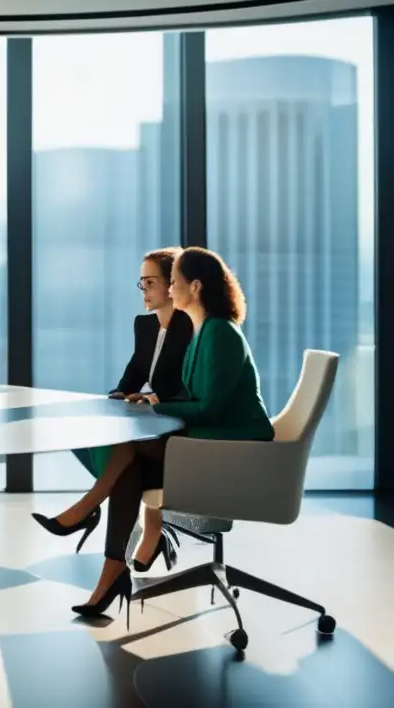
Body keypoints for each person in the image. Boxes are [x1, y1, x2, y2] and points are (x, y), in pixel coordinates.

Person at [36, 247, 274, 621]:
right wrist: (149, 400)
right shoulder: (203, 331)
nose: (169, 288)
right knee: (128, 467)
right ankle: (111, 573)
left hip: (235, 451)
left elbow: (210, 407)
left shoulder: (220, 333)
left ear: (194, 286)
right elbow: (192, 397)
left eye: (173, 282)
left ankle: (87, 509)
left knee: (129, 445)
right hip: (207, 441)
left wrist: (154, 405)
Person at [33, 247, 193, 571]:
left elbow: (190, 390)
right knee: (89, 433)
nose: (144, 291)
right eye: (141, 283)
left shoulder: (192, 329)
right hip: (153, 427)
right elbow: (131, 377)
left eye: (150, 282)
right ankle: (125, 539)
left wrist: (154, 399)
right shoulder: (145, 327)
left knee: (125, 451)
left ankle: (89, 508)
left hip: (183, 431)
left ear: (172, 284)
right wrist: (121, 395)